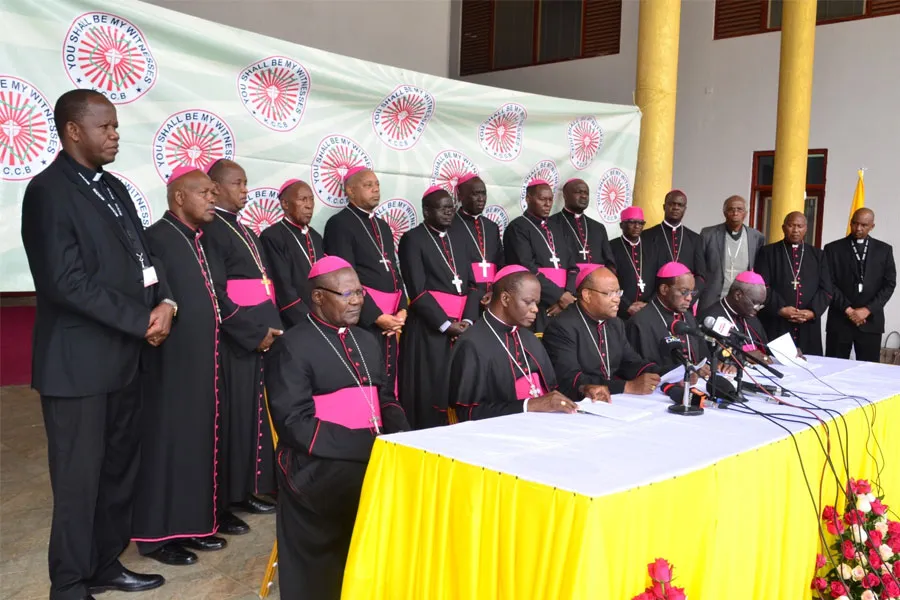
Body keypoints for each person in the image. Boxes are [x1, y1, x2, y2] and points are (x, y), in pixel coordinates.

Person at [20, 89, 170, 599]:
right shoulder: (48, 191)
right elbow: (64, 281)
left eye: (116, 126)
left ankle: (106, 564)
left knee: (117, 471)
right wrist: (140, 320)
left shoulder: (115, 188)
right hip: (78, 366)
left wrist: (166, 303)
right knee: (78, 483)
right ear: (73, 131)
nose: (115, 134)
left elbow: (144, 255)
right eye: (104, 126)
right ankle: (68, 583)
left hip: (125, 360)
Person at [265, 256, 409, 600]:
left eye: (360, 292)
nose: (358, 300)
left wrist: (402, 435)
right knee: (369, 490)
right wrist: (368, 446)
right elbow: (295, 425)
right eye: (347, 294)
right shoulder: (292, 346)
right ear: (318, 297)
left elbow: (385, 398)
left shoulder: (367, 339)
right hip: (314, 462)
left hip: (371, 447)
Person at [133, 167, 232, 565]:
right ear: (178, 197)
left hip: (203, 362)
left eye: (213, 192)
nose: (213, 198)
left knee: (196, 445)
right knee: (166, 447)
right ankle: (156, 538)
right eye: (205, 193)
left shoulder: (202, 240)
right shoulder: (156, 237)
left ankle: (192, 525)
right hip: (169, 364)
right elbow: (151, 295)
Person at [204, 159, 283, 527]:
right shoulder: (211, 230)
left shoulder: (244, 229)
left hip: (261, 336)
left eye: (246, 183)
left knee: (255, 418)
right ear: (215, 187)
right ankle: (231, 497)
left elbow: (264, 286)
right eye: (237, 183)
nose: (245, 191)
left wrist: (272, 328)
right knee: (236, 419)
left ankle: (251, 488)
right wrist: (253, 333)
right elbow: (218, 292)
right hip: (236, 341)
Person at [444, 266, 579, 420]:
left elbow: (551, 391)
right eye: (528, 302)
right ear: (505, 299)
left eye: (537, 303)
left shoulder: (529, 338)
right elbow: (468, 414)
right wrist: (529, 405)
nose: (535, 309)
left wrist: (582, 389)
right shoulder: (471, 344)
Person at [397, 187, 482, 428]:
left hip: (463, 327)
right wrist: (445, 325)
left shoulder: (461, 237)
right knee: (431, 391)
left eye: (451, 208)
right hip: (430, 329)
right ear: (426, 211)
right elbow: (417, 290)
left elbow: (473, 285)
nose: (449, 212)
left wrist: (468, 321)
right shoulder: (412, 239)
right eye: (443, 208)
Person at [323, 167, 407, 388]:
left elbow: (394, 271)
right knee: (369, 377)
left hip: (392, 319)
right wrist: (376, 316)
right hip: (363, 318)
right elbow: (345, 278)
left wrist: (402, 310)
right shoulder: (339, 224)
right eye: (368, 185)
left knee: (390, 382)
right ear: (350, 191)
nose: (375, 190)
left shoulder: (383, 226)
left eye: (377, 185)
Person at [543, 266, 661, 402]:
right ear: (587, 295)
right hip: (577, 405)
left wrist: (669, 374)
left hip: (612, 399)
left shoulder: (616, 324)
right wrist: (627, 386)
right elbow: (570, 379)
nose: (617, 300)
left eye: (618, 293)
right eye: (611, 293)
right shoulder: (562, 326)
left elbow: (630, 363)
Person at [503, 179, 577, 332]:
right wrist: (558, 296)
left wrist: (568, 294)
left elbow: (572, 266)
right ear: (528, 198)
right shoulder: (517, 227)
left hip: (564, 304)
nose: (547, 204)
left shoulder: (557, 228)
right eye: (542, 199)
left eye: (550, 199)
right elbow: (525, 267)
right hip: (537, 304)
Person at [824, 208, 897, 362]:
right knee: (833, 367)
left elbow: (889, 284)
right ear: (850, 223)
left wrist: (867, 309)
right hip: (840, 319)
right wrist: (849, 310)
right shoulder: (833, 249)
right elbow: (828, 282)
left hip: (871, 320)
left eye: (864, 225)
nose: (858, 228)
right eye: (855, 224)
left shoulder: (884, 250)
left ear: (872, 226)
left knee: (869, 371)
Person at [755, 211, 832, 356]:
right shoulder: (767, 253)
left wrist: (812, 312)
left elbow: (826, 289)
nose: (795, 230)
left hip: (808, 324)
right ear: (783, 228)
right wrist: (780, 309)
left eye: (799, 226)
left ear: (806, 229)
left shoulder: (818, 255)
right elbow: (762, 286)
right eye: (791, 226)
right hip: (776, 322)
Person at [625, 262, 711, 375]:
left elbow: (702, 358)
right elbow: (634, 368)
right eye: (684, 292)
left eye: (692, 292)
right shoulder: (639, 322)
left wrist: (701, 367)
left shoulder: (689, 318)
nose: (689, 298)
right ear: (664, 289)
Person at [260, 178, 324, 328]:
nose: (309, 205)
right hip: (294, 321)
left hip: (322, 317)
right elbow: (283, 288)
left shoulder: (315, 237)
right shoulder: (272, 236)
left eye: (311, 200)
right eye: (303, 199)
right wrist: (308, 321)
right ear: (285, 204)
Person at [698, 196, 765, 311]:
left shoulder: (756, 237)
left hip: (742, 299)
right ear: (724, 212)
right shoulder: (708, 234)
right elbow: (700, 267)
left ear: (746, 213)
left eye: (740, 209)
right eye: (731, 209)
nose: (735, 213)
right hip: (712, 299)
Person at [643, 190, 707, 303]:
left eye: (680, 205)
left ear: (685, 209)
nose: (676, 207)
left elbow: (701, 276)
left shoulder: (695, 239)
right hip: (654, 302)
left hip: (684, 305)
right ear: (664, 206)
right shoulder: (647, 236)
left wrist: (688, 298)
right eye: (672, 204)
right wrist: (652, 301)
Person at [549, 178, 616, 283]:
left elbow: (610, 262)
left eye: (586, 193)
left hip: (596, 286)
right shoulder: (551, 224)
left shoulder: (598, 227)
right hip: (566, 284)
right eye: (578, 192)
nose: (584, 196)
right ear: (565, 195)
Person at [699, 271, 771, 366]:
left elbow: (765, 350)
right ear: (738, 295)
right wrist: (743, 357)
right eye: (754, 303)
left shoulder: (750, 316)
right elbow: (708, 355)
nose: (757, 309)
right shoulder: (711, 318)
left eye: (760, 305)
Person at [450, 172, 503, 296]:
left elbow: (500, 261)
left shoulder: (491, 227)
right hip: (465, 294)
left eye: (483, 193)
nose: (481, 199)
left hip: (493, 295)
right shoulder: (451, 226)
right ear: (461, 196)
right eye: (475, 194)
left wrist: (496, 291)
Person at [612, 206, 659, 320]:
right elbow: (610, 282)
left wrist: (648, 304)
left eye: (640, 223)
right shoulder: (612, 247)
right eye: (632, 222)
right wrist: (627, 306)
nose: (637, 226)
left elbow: (659, 279)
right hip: (620, 311)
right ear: (621, 225)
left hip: (648, 311)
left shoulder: (652, 248)